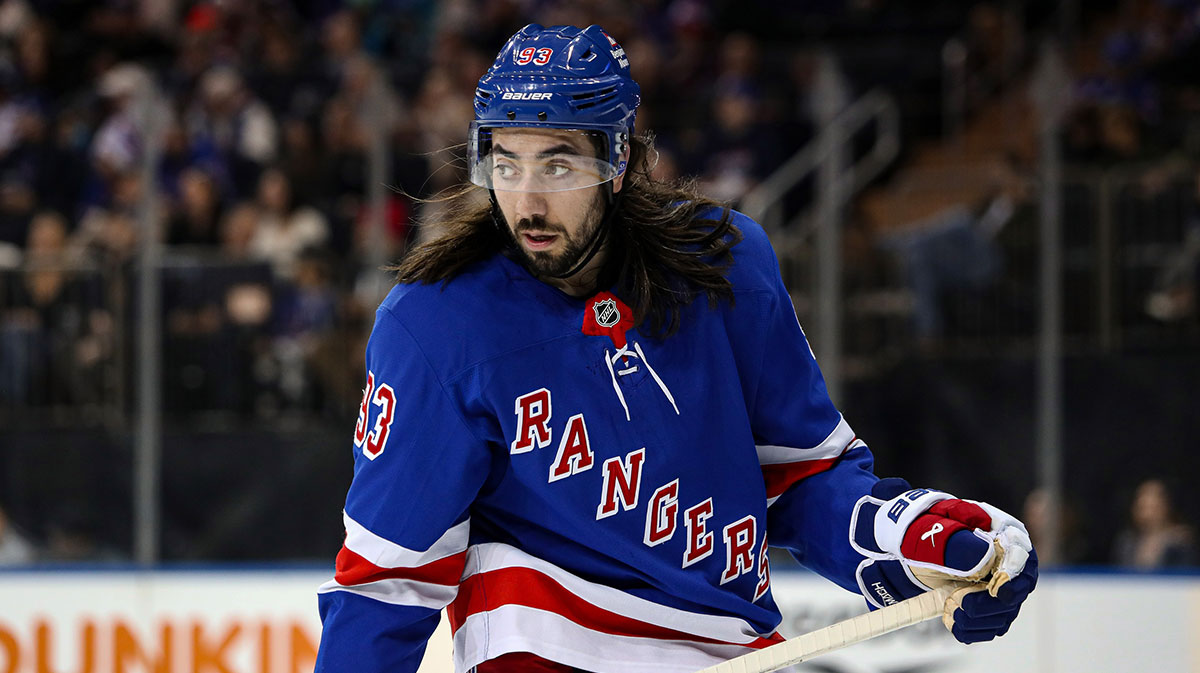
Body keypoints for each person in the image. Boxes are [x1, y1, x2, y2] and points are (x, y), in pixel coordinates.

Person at [315, 24, 1038, 673]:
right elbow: (389, 580)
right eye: (506, 163)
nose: (527, 200)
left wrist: (908, 534)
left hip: (732, 647)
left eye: (558, 165)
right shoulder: (436, 323)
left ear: (618, 159)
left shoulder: (726, 263)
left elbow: (801, 477)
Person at [1113, 478, 1197, 569]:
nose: (1147, 512)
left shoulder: (1180, 542)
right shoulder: (1127, 542)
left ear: (1166, 505)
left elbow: (1186, 576)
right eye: (1143, 506)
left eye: (1152, 506)